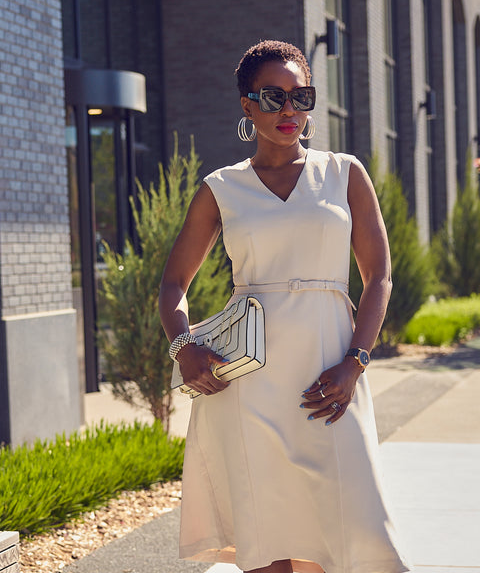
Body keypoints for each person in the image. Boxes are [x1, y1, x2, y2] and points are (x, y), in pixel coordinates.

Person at [159, 40, 411, 573]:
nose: (289, 110)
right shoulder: (221, 189)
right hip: (248, 383)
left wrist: (356, 361)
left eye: (301, 96)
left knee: (351, 534)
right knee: (266, 538)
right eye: (273, 98)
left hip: (329, 377)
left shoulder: (345, 173)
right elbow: (173, 283)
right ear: (247, 106)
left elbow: (379, 276)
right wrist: (184, 348)